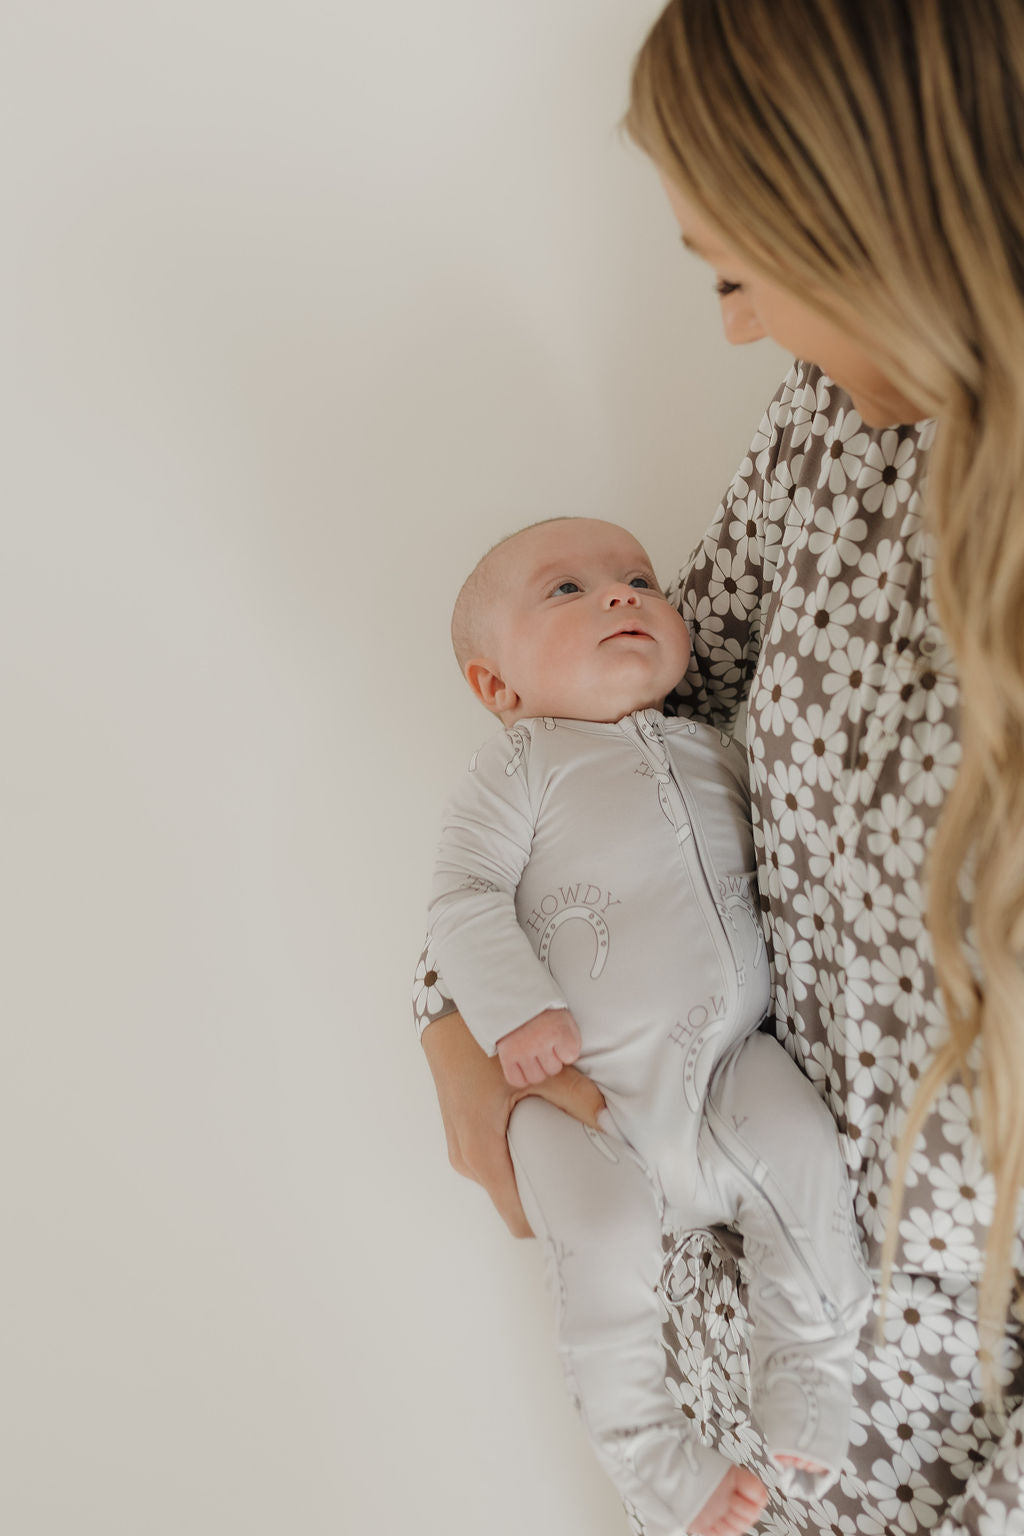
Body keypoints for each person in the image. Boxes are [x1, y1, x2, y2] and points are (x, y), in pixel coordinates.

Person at [414, 2, 1024, 1531]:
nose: (740, 332)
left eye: (744, 277)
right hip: (718, 1398)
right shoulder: (841, 424)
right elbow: (613, 722)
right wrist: (453, 1014)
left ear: (877, 229)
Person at [427, 516, 872, 1534]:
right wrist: (512, 1012)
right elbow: (460, 897)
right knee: (601, 1258)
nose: (621, 595)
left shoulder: (714, 747)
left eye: (636, 578)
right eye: (568, 590)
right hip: (582, 1101)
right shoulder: (518, 769)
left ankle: (806, 1368)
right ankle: (655, 1462)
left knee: (802, 1155)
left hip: (724, 1065)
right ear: (497, 689)